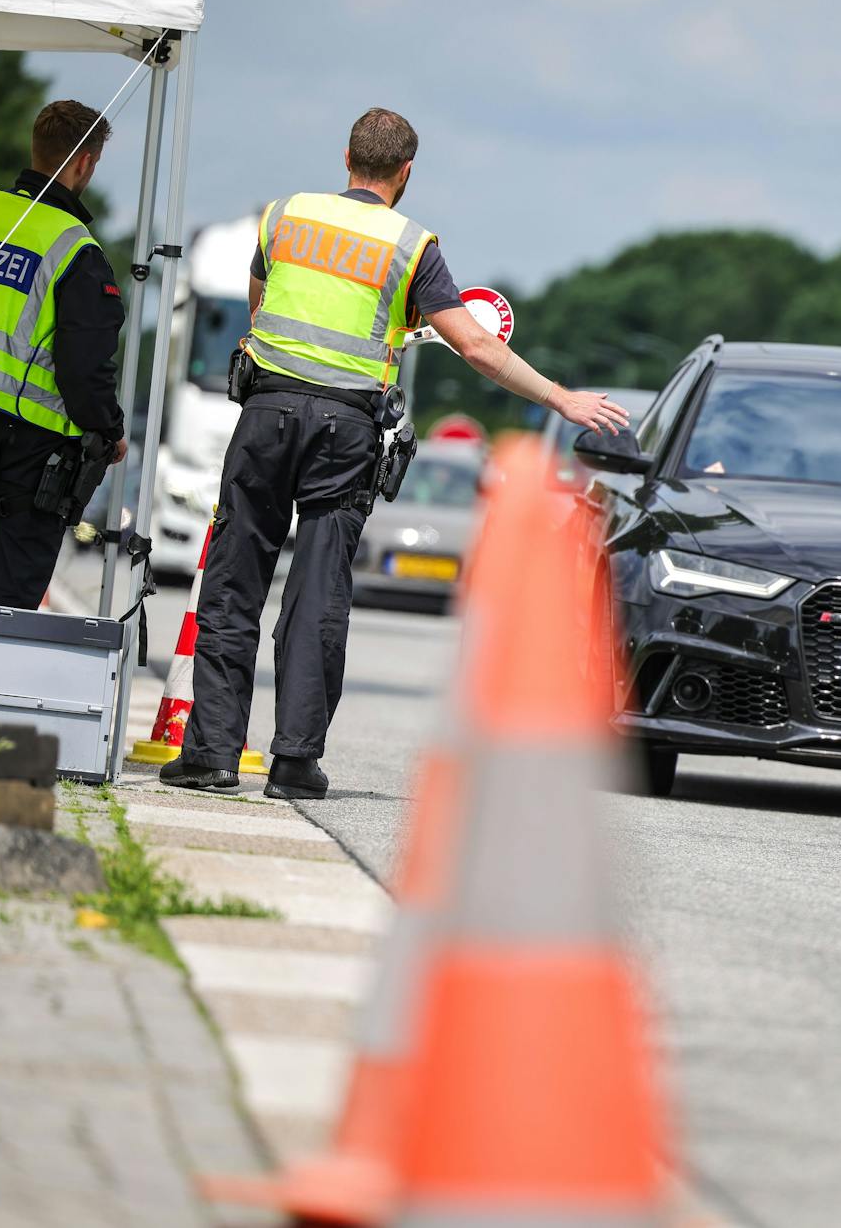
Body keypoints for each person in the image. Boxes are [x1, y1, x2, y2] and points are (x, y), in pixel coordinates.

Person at [160, 107, 629, 799]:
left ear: (345, 155)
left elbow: (261, 303)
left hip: (266, 413)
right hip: (342, 431)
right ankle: (292, 763)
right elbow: (475, 345)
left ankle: (211, 754)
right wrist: (561, 398)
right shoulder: (412, 246)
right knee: (317, 593)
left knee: (234, 583)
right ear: (406, 172)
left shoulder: (285, 216)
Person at [0, 100, 127, 607]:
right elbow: (84, 367)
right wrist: (110, 429)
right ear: (85, 163)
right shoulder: (76, 249)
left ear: (36, 148)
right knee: (8, 597)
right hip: (38, 453)